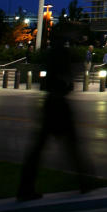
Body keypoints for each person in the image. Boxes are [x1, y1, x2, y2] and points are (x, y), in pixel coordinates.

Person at [18, 24, 94, 200]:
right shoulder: (63, 54)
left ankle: (26, 186)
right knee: (71, 145)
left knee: (41, 148)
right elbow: (75, 69)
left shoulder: (51, 54)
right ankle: (84, 182)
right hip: (59, 104)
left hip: (50, 102)